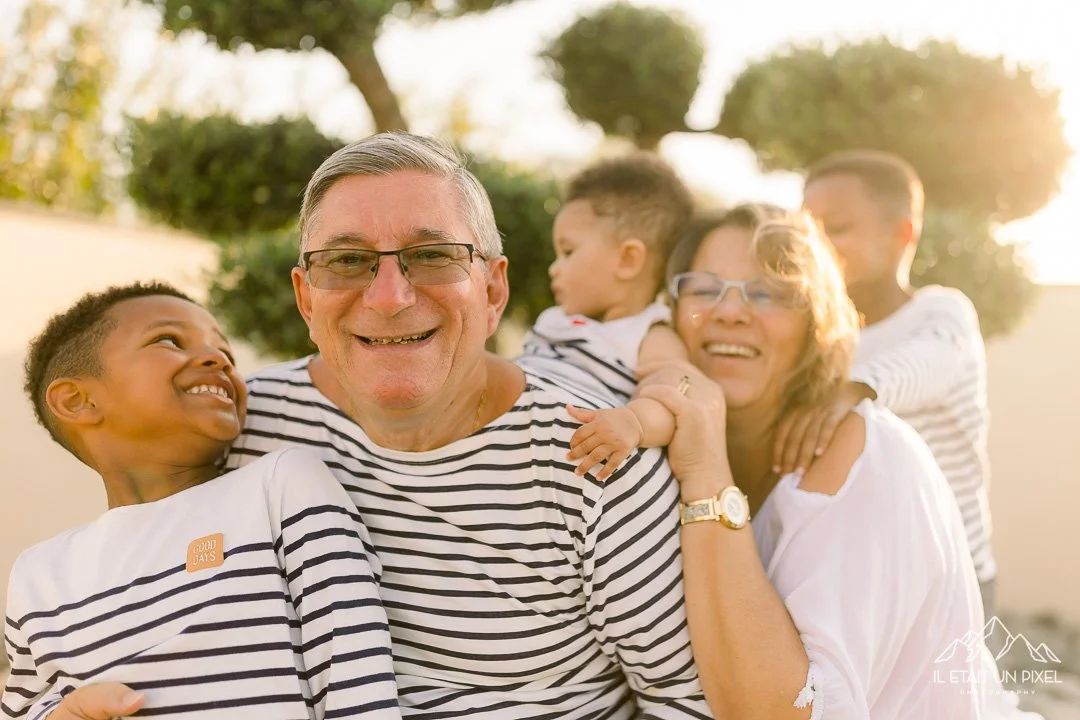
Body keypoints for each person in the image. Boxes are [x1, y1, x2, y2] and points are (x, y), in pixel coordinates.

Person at [166, 133, 704, 719]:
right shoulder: (243, 431)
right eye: (347, 261)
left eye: (432, 255)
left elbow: (685, 706)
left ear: (493, 290)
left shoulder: (591, 455)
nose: (391, 297)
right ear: (306, 298)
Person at [637, 204, 1037, 719]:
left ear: (814, 319)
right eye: (704, 288)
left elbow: (791, 713)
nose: (730, 311)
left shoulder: (862, 455)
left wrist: (706, 468)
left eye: (769, 293)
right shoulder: (653, 434)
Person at [2, 283, 400, 720]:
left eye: (225, 352)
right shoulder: (37, 575)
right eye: (168, 340)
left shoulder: (282, 485)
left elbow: (355, 672)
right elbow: (26, 708)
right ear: (78, 400)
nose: (220, 361)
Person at [783, 150, 997, 615]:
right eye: (805, 232)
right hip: (858, 581)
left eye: (835, 228)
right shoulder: (811, 335)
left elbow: (929, 361)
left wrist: (853, 389)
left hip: (951, 580)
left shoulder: (940, 312)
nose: (814, 246)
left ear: (902, 234)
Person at [518, 152, 693, 480]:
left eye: (568, 252)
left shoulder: (649, 334)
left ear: (628, 259)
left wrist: (634, 422)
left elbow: (672, 401)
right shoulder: (555, 320)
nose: (554, 269)